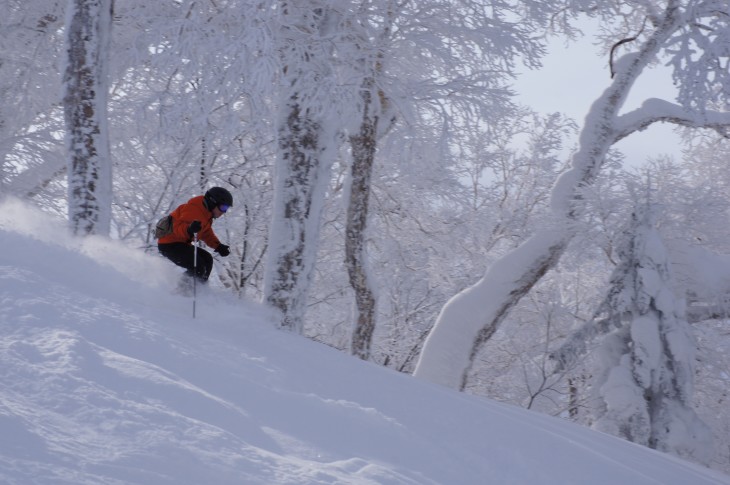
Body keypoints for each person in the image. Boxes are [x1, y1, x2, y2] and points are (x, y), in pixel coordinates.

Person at [157, 187, 232, 283]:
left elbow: (206, 232)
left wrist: (218, 246)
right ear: (213, 202)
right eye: (223, 207)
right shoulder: (193, 209)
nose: (224, 212)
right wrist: (188, 229)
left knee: (207, 259)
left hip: (181, 243)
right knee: (198, 265)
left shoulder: (207, 214)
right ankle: (183, 294)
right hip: (169, 243)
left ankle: (201, 289)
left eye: (227, 208)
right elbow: (176, 227)